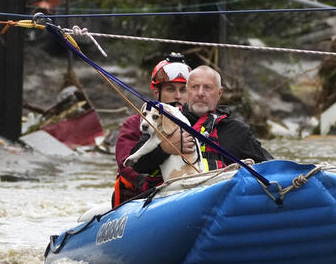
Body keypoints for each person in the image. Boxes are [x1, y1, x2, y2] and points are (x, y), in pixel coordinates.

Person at [128, 64, 272, 179]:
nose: (200, 93)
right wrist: (166, 148)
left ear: (219, 93)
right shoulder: (165, 120)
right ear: (187, 91)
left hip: (222, 200)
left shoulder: (237, 130)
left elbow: (269, 166)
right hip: (174, 198)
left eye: (207, 87)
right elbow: (137, 165)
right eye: (194, 87)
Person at [113, 53, 195, 206]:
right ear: (157, 92)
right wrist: (166, 148)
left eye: (183, 90)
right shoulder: (134, 124)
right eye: (171, 89)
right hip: (144, 198)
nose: (177, 96)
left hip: (188, 192)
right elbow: (126, 163)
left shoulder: (196, 122)